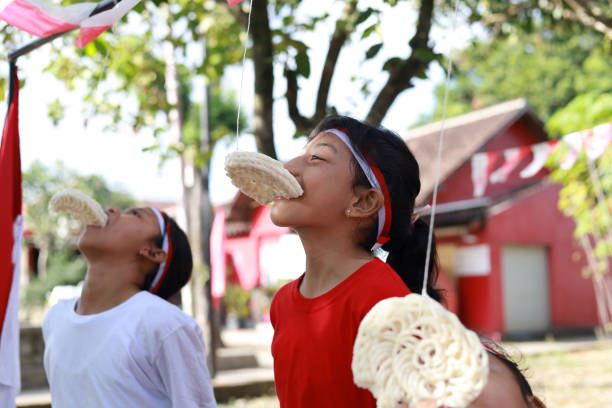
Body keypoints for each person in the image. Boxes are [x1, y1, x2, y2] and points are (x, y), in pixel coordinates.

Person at [269, 115, 442, 407]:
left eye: (316, 158)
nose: (286, 168)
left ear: (363, 202)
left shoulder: (385, 303)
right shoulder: (282, 303)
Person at [42, 206, 217, 408]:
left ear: (153, 253)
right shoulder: (56, 317)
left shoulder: (163, 325)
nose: (111, 210)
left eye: (135, 215)